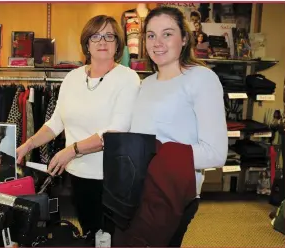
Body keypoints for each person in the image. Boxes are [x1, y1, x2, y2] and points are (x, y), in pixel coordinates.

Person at [16, 15, 140, 237]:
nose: (102, 42)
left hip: (112, 177)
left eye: (109, 36)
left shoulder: (128, 78)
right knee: (89, 233)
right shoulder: (72, 78)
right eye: (96, 36)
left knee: (112, 237)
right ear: (87, 43)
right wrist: (28, 144)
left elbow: (115, 131)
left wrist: (71, 151)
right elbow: (56, 123)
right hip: (79, 175)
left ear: (118, 44)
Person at [128, 6, 228, 246]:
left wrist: (155, 155)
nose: (157, 42)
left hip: (174, 190)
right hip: (141, 187)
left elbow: (216, 153)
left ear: (184, 38)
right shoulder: (146, 84)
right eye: (151, 35)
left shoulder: (201, 79)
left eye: (167, 33)